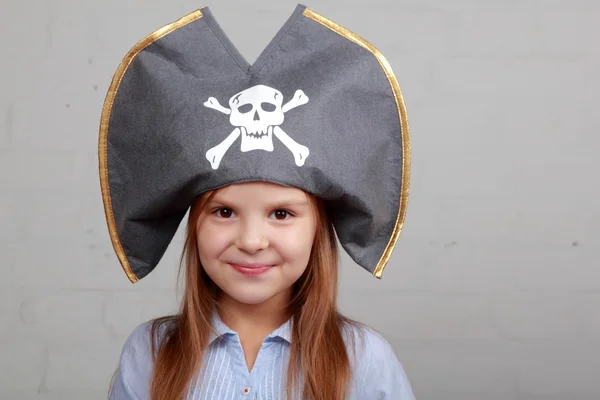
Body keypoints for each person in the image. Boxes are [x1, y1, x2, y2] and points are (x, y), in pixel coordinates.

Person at [99, 4, 414, 399]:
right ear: (194, 224)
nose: (251, 241)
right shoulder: (150, 352)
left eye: (281, 213)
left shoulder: (364, 359)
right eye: (224, 211)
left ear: (319, 226)